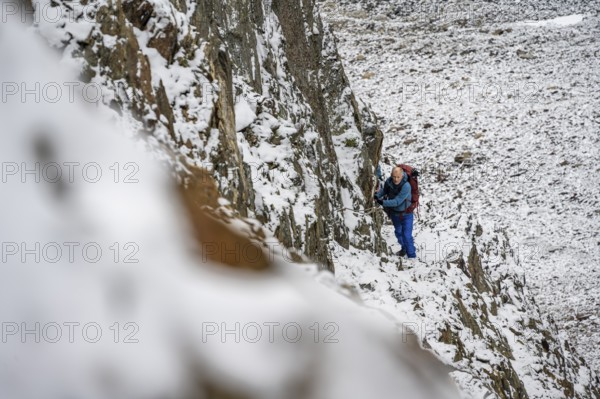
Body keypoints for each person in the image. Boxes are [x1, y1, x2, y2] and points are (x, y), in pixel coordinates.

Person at [374, 166, 416, 259]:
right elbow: (384, 191)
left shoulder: (406, 186)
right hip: (395, 214)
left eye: (398, 177)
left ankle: (412, 256)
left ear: (402, 176)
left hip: (407, 214)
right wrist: (377, 196)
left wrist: (383, 202)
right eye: (394, 177)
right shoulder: (389, 182)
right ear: (391, 175)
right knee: (398, 233)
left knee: (406, 236)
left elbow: (397, 201)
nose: (396, 179)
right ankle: (404, 249)